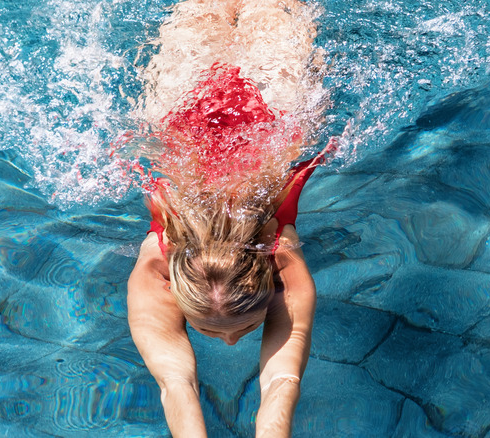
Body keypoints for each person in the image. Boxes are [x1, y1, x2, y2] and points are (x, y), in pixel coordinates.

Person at [127, 0, 334, 436]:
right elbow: (179, 384)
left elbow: (278, 380)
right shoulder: (158, 266)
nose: (230, 341)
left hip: (218, 114)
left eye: (247, 326)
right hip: (246, 114)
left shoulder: (284, 260)